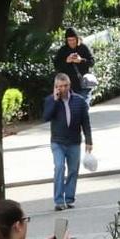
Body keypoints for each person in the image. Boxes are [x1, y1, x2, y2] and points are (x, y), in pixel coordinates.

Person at [41, 73, 92, 212]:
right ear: (55, 87)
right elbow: (46, 117)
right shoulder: (50, 100)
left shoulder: (79, 101)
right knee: (59, 167)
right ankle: (58, 200)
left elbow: (85, 122)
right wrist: (55, 100)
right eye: (60, 86)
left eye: (66, 86)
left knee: (73, 170)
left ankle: (69, 199)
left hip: (74, 141)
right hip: (58, 142)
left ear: (69, 85)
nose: (63, 89)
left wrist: (89, 140)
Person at [50, 26, 94, 93]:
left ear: (77, 39)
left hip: (84, 84)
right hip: (70, 87)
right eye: (69, 40)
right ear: (66, 40)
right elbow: (56, 65)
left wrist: (81, 60)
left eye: (73, 40)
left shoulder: (83, 47)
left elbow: (92, 62)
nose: (71, 42)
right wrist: (66, 61)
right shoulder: (63, 50)